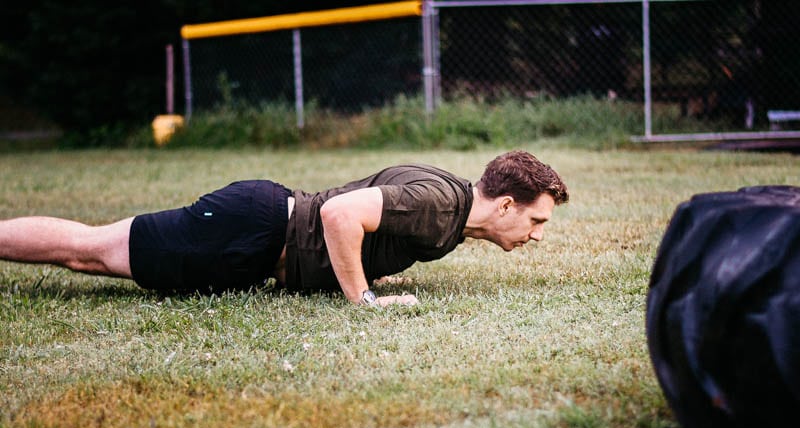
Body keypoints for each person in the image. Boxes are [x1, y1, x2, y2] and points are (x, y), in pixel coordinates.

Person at [0, 150, 568, 306]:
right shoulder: (442, 205)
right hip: (253, 231)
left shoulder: (450, 204)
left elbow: (367, 223)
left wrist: (372, 269)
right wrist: (363, 298)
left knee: (91, 246)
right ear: (507, 205)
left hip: (257, 226)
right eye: (537, 220)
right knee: (87, 251)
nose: (537, 235)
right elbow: (339, 215)